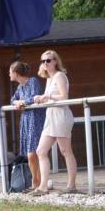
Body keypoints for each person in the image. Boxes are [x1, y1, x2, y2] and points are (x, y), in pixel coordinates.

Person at [29, 50, 78, 195]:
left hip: (61, 115)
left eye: (48, 60)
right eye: (43, 61)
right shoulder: (49, 79)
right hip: (51, 116)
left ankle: (71, 185)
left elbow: (64, 96)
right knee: (41, 151)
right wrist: (40, 99)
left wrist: (47, 96)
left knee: (66, 151)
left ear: (55, 61)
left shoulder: (60, 75)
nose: (45, 63)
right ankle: (43, 187)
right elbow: (49, 98)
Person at [10, 61, 46, 191]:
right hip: (26, 120)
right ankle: (37, 181)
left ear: (16, 73)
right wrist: (17, 102)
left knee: (33, 153)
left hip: (35, 119)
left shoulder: (33, 81)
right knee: (29, 154)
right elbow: (13, 99)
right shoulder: (20, 87)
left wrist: (23, 102)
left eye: (10, 72)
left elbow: (35, 97)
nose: (9, 74)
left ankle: (37, 181)